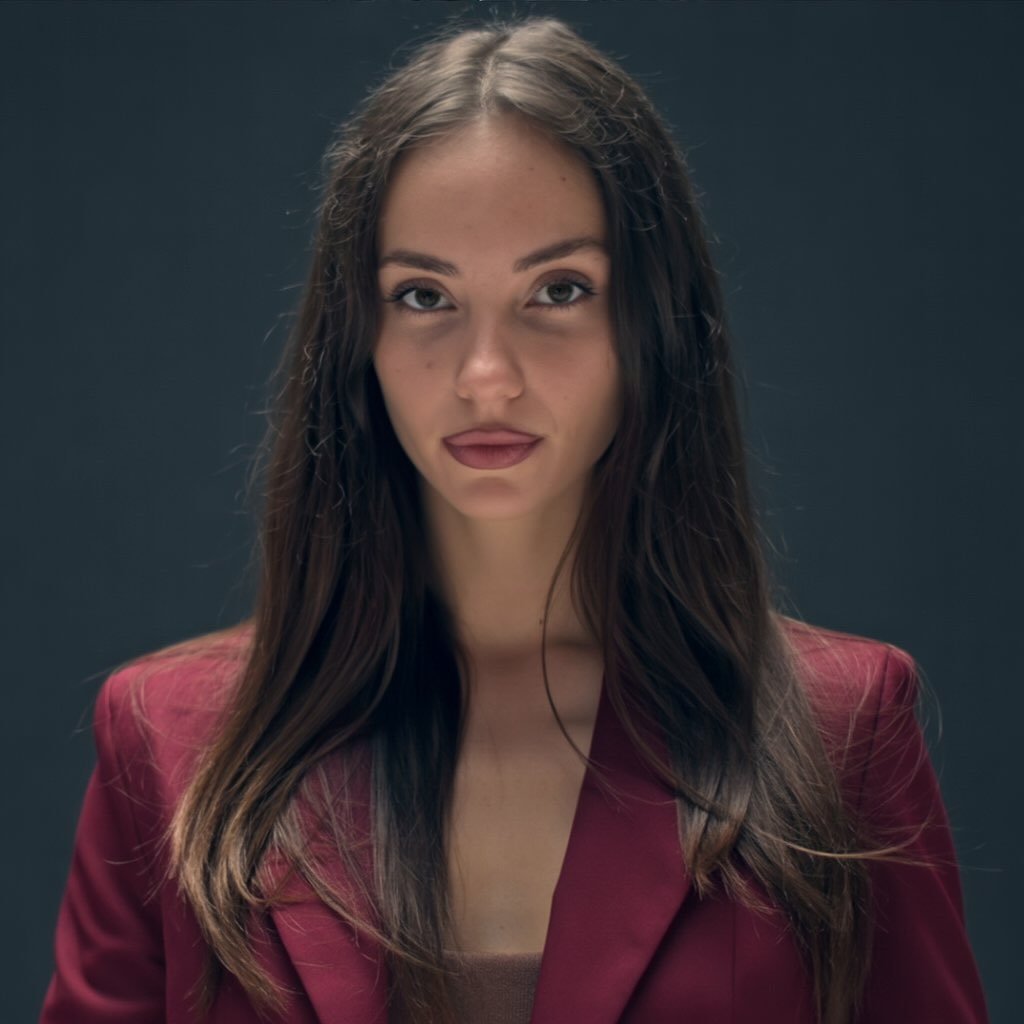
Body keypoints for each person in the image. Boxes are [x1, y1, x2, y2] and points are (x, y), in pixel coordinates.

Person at [40, 15, 988, 1024]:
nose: (485, 376)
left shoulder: (842, 730)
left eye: (558, 290)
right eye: (422, 295)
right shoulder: (169, 742)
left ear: (653, 328)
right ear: (353, 336)